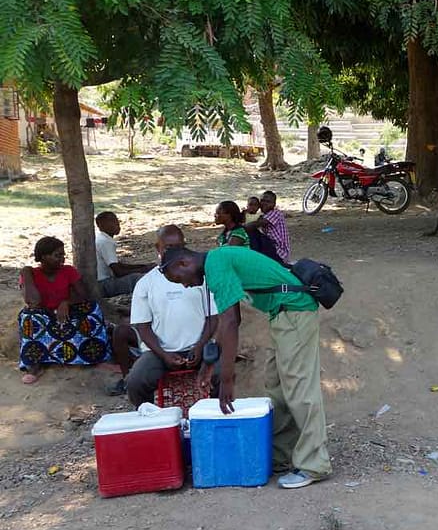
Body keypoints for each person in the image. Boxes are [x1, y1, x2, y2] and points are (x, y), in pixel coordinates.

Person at [159, 245, 332, 489]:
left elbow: (229, 321)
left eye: (179, 280)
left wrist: (227, 379)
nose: (185, 285)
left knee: (299, 388)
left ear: (184, 263)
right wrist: (211, 364)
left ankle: (314, 464)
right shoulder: (217, 262)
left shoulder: (216, 264)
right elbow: (231, 319)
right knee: (277, 386)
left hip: (294, 312)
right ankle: (281, 456)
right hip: (283, 315)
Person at [108, 225, 220, 403]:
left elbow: (213, 317)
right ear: (157, 248)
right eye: (168, 248)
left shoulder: (201, 277)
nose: (174, 253)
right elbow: (142, 326)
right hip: (160, 352)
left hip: (199, 347)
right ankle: (149, 418)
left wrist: (199, 346)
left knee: (221, 372)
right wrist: (163, 354)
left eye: (179, 247)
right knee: (136, 381)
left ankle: (214, 415)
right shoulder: (146, 283)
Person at [18, 237, 111, 384]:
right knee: (29, 318)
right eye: (57, 255)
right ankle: (35, 364)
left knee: (93, 310)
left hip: (67, 312)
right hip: (43, 316)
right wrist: (26, 274)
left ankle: (95, 357)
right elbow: (33, 301)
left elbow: (83, 295)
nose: (62, 258)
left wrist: (66, 302)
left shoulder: (68, 271)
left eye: (63, 254)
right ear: (43, 257)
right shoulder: (30, 273)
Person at [95, 211, 154, 297]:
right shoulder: (105, 242)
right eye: (111, 222)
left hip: (102, 283)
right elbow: (118, 272)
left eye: (116, 221)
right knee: (142, 278)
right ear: (101, 226)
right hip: (104, 284)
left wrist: (143, 266)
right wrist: (143, 270)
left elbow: (117, 265)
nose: (117, 224)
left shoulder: (102, 238)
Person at [246, 190, 290, 264]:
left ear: (274, 204)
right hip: (271, 247)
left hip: (279, 252)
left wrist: (238, 227)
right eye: (262, 201)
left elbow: (254, 225)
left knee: (252, 232)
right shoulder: (263, 215)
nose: (264, 204)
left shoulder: (275, 213)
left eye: (268, 202)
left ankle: (254, 258)